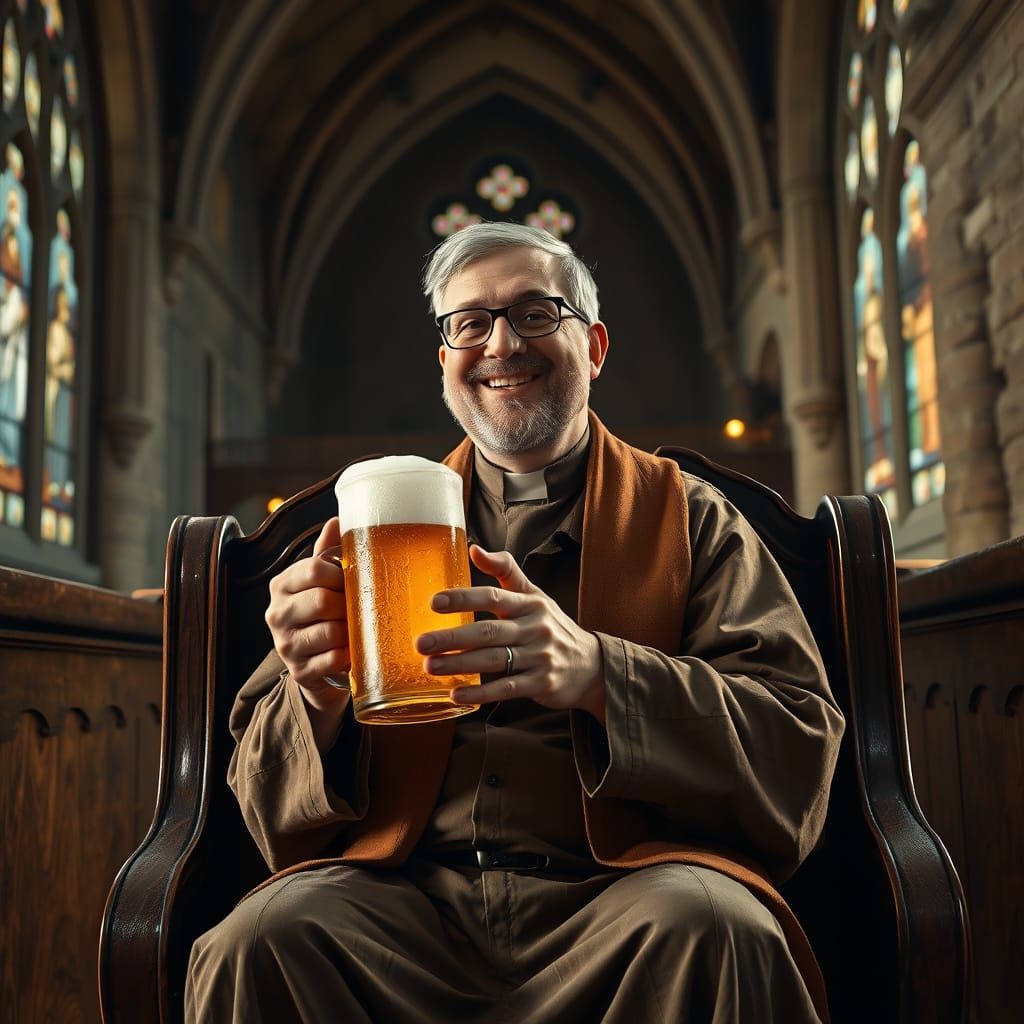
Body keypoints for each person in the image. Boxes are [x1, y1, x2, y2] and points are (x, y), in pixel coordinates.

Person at [186, 222, 844, 1023]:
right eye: (470, 323)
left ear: (593, 347)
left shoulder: (696, 522)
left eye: (535, 314)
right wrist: (316, 695)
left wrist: (601, 674)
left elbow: (797, 747)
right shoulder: (367, 535)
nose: (500, 344)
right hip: (402, 906)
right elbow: (259, 805)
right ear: (445, 363)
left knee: (719, 929)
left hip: (626, 898)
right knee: (258, 940)